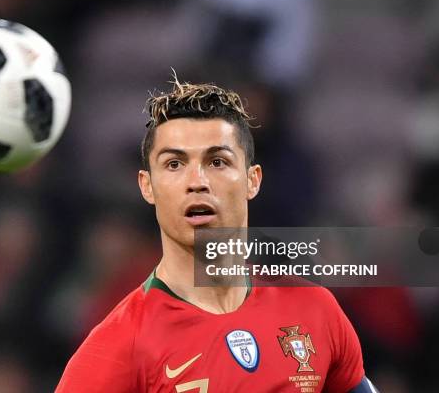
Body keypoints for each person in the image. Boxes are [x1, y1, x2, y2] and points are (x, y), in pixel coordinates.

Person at [56, 78, 378, 392]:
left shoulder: (314, 309)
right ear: (147, 186)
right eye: (174, 164)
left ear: (253, 180)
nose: (197, 181)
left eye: (217, 161)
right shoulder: (120, 344)